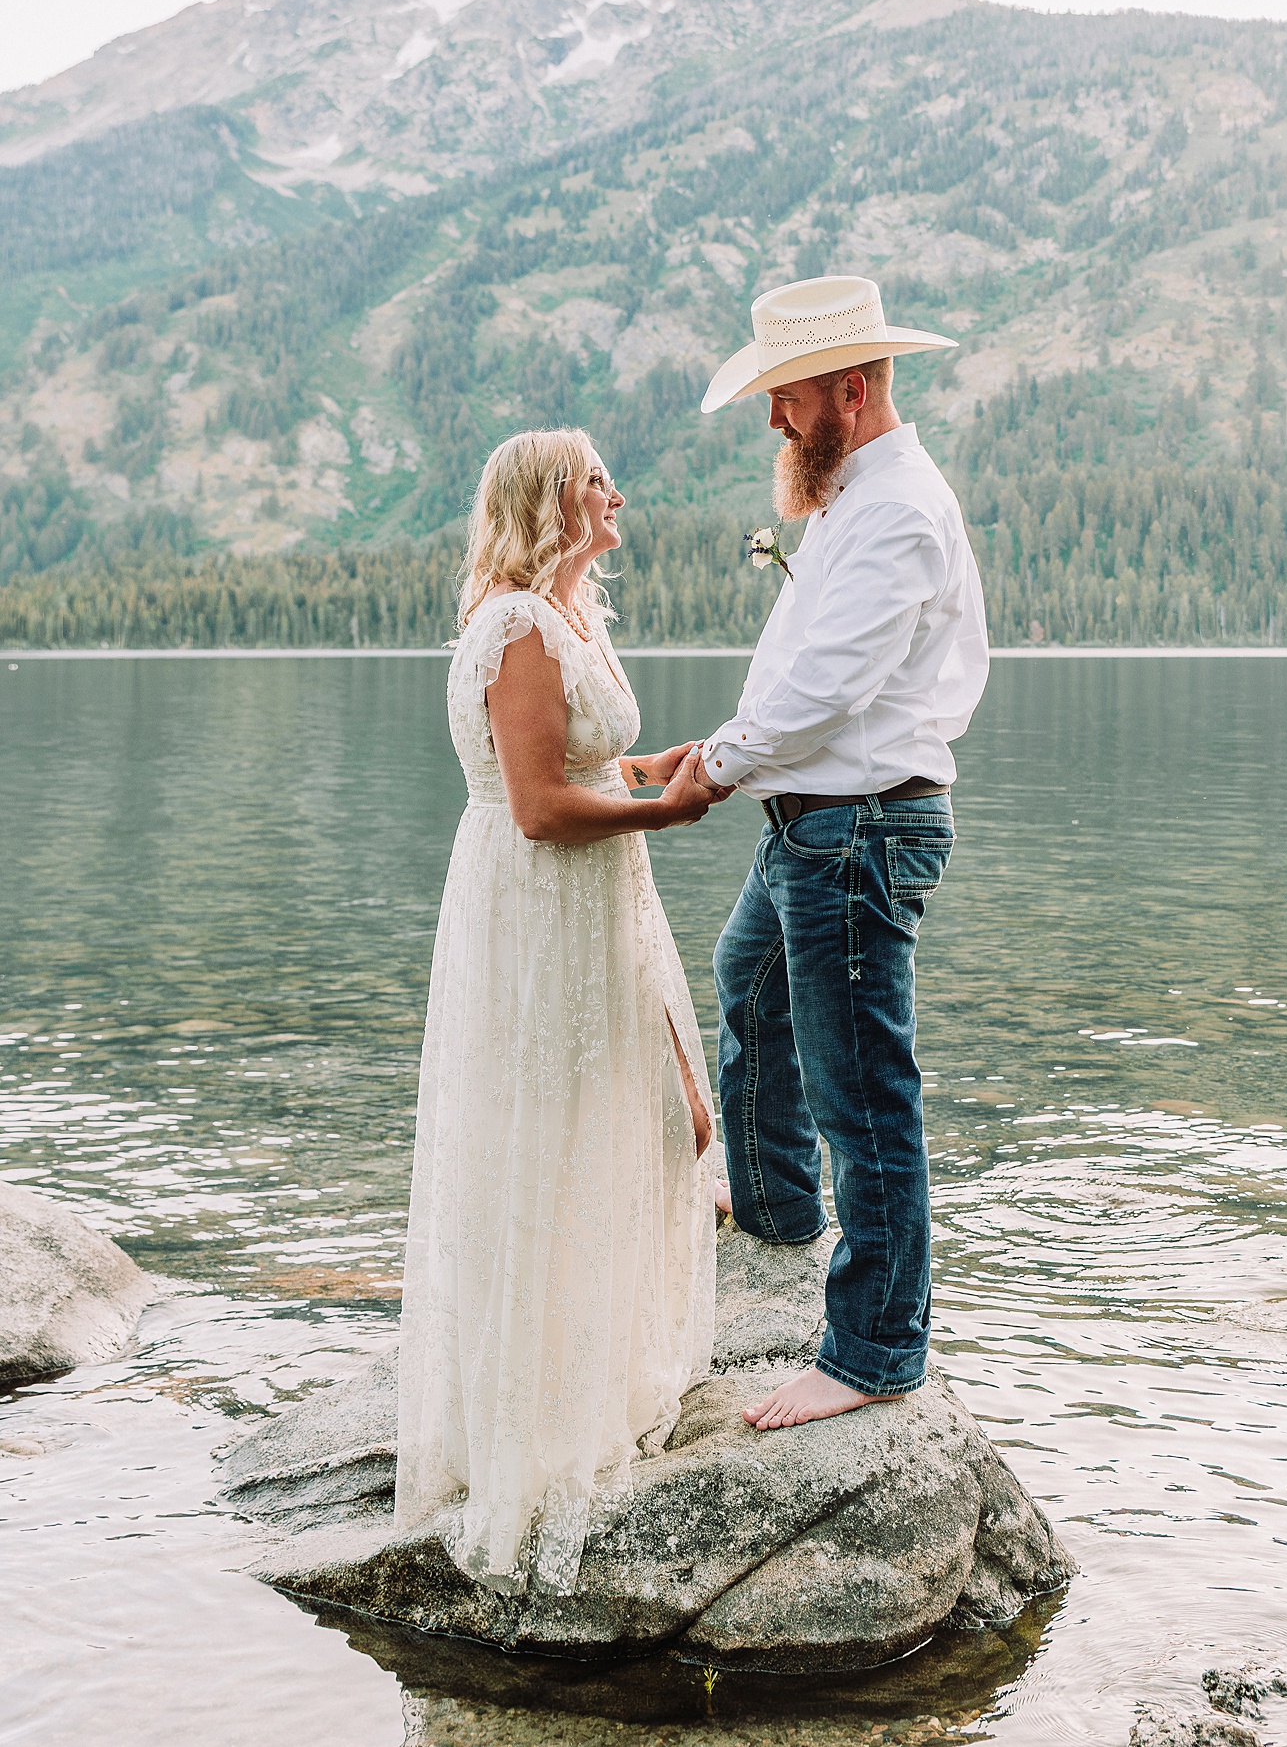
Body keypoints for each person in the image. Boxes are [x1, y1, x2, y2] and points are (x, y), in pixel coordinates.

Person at [395, 427, 724, 1593]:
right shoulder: (514, 626)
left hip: (601, 906)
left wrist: (666, 768)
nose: (617, 494)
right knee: (547, 1140)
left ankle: (594, 1377)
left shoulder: (576, 615)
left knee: (656, 1122)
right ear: (549, 501)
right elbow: (536, 806)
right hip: (538, 911)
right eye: (597, 481)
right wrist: (668, 819)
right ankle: (532, 1426)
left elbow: (587, 769)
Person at [692, 274, 990, 1430]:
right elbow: (799, 676)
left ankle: (872, 1352)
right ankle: (770, 1202)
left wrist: (716, 770)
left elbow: (829, 688)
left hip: (856, 829)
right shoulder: (851, 502)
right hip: (816, 818)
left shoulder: (899, 510)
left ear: (851, 395)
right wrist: (722, 749)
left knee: (864, 1095)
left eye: (788, 399)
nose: (774, 421)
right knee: (748, 984)